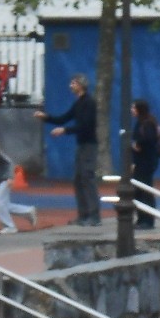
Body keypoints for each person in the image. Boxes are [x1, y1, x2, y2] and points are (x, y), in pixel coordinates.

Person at [36, 74, 100, 226]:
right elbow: (63, 118)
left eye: (73, 83)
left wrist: (64, 130)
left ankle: (94, 216)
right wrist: (46, 117)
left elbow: (86, 125)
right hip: (82, 145)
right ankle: (83, 214)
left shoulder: (89, 103)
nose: (71, 85)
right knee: (79, 180)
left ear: (81, 85)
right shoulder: (78, 103)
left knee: (87, 178)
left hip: (89, 145)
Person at [0, 131, 36, 233]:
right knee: (4, 205)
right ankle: (28, 211)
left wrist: (10, 177)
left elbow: (8, 163)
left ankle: (10, 226)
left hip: (5, 179)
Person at [129, 99, 160, 229]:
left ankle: (147, 220)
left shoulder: (147, 123)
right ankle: (141, 218)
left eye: (133, 108)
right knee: (138, 191)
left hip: (146, 162)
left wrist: (138, 144)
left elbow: (149, 139)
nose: (131, 110)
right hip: (141, 162)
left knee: (145, 191)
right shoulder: (141, 122)